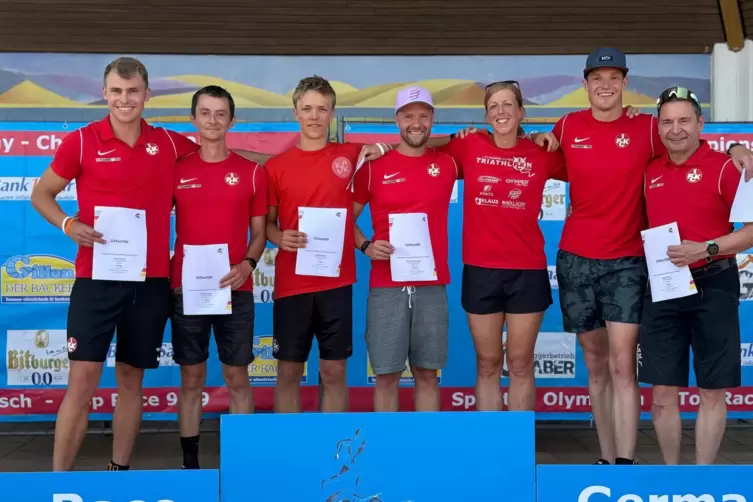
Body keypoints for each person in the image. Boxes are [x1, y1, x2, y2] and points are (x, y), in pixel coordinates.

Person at [551, 47, 753, 466]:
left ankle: (684, 479)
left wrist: (737, 147)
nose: (674, 130)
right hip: (635, 274)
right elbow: (534, 159)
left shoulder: (656, 135)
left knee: (643, 371)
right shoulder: (574, 128)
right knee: (629, 378)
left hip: (666, 270)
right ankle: (636, 468)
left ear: (625, 83)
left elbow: (700, 153)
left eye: (614, 77)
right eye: (596, 78)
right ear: (585, 84)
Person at [30, 57, 200, 471]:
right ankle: (59, 483)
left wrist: (283, 162)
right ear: (105, 93)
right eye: (117, 91)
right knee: (83, 381)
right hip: (96, 280)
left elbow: (223, 156)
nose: (125, 99)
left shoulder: (169, 143)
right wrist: (69, 224)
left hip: (150, 282)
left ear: (147, 94)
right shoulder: (83, 141)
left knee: (130, 381)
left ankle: (117, 473)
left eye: (133, 91)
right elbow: (41, 194)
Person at [436, 81, 568, 411]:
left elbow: (586, 165)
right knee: (487, 364)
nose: (501, 111)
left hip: (527, 270)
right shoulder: (470, 145)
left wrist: (546, 136)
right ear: (486, 115)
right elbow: (423, 148)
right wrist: (452, 137)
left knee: (521, 364)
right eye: (493, 106)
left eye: (508, 104)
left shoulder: (541, 152)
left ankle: (517, 447)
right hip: (481, 270)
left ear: (521, 111)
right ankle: (491, 446)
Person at [639, 87, 753, 465]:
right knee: (662, 392)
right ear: (658, 127)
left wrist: (704, 249)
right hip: (663, 285)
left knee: (712, 390)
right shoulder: (651, 169)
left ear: (700, 123)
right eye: (667, 121)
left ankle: (703, 478)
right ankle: (673, 478)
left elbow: (751, 230)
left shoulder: (726, 167)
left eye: (684, 120)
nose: (676, 129)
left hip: (714, 282)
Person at [264, 75, 385, 413]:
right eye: (307, 109)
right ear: (295, 113)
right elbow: (268, 226)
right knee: (288, 372)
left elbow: (413, 145)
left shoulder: (352, 156)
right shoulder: (275, 167)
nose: (314, 116)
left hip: (337, 283)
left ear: (332, 113)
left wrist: (385, 147)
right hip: (292, 285)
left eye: (321, 109)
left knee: (333, 371)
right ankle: (289, 451)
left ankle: (331, 452)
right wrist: (278, 237)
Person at [170, 85, 267, 469]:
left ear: (232, 120)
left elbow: (259, 233)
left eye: (220, 113)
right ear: (193, 119)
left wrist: (248, 264)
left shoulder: (252, 173)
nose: (213, 121)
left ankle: (242, 462)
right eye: (205, 113)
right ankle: (189, 466)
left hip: (237, 289)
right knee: (192, 380)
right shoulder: (175, 170)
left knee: (238, 379)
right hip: (186, 290)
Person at [352, 87, 457, 412]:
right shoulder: (372, 167)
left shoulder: (450, 163)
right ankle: (386, 453)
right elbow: (344, 220)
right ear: (397, 119)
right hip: (386, 287)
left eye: (423, 115)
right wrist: (366, 245)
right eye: (408, 115)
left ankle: (426, 450)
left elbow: (490, 141)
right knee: (386, 376)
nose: (416, 123)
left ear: (432, 119)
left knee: (428, 375)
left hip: (432, 287)